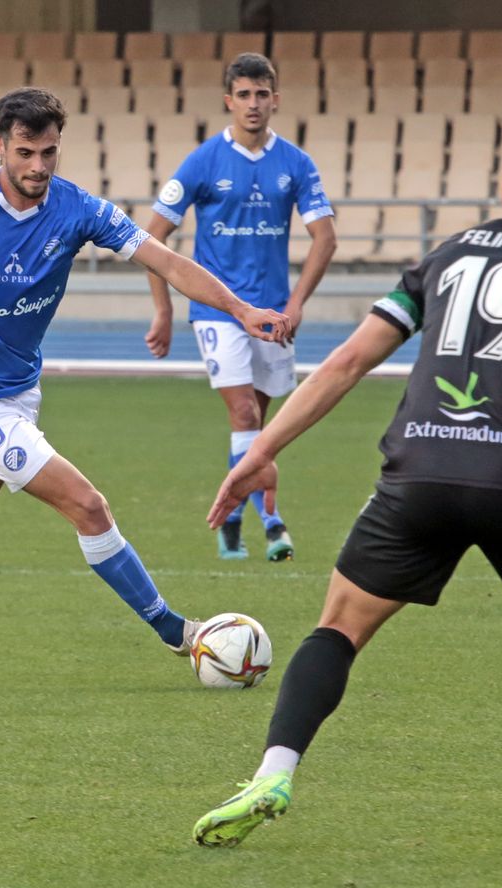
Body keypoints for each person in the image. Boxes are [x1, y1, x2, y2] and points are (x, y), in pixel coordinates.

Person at [190, 121, 502, 851]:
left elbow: (347, 362)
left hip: (417, 472)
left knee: (338, 626)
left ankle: (272, 772)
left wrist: (259, 452)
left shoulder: (447, 256)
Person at [0, 87, 290, 672]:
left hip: (19, 391)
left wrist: (241, 310)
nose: (37, 167)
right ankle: (181, 633)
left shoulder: (79, 211)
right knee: (89, 507)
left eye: (48, 153)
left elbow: (166, 261)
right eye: (24, 153)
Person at [143, 52, 337, 563]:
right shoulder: (204, 161)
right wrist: (163, 310)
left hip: (273, 316)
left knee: (259, 434)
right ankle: (273, 523)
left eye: (262, 94)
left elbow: (326, 238)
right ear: (229, 100)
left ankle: (230, 520)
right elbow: (154, 236)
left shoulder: (295, 163)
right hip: (218, 312)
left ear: (276, 99)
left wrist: (296, 304)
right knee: (245, 414)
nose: (253, 104)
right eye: (244, 95)